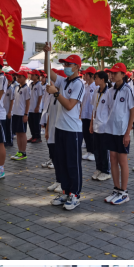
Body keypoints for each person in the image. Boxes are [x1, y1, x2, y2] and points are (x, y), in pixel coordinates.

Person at [46, 54, 87, 209]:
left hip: (72, 130)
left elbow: (69, 105)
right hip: (60, 127)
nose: (65, 67)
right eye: (64, 65)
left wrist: (56, 93)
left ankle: (75, 194)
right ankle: (65, 191)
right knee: (61, 162)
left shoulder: (79, 84)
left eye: (68, 65)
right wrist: (47, 53)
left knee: (72, 163)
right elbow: (48, 71)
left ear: (77, 67)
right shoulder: (63, 81)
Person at [102, 63, 134, 205]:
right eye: (111, 73)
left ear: (123, 74)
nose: (112, 75)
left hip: (122, 131)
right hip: (111, 130)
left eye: (115, 73)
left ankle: (124, 191)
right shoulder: (110, 90)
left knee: (122, 161)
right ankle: (116, 188)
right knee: (113, 159)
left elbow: (132, 112)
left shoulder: (127, 90)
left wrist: (128, 132)